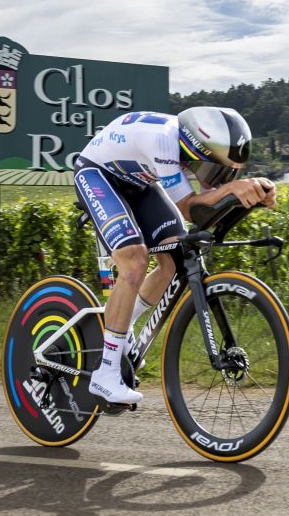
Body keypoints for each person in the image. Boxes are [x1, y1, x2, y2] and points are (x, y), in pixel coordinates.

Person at [73, 107, 276, 404]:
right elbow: (189, 207)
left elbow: (212, 203)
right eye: (213, 170)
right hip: (97, 174)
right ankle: (106, 373)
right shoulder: (163, 142)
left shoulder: (183, 146)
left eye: (225, 172)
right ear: (193, 150)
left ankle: (121, 324)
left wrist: (256, 194)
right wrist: (233, 188)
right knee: (135, 260)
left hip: (139, 182)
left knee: (173, 259)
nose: (215, 180)